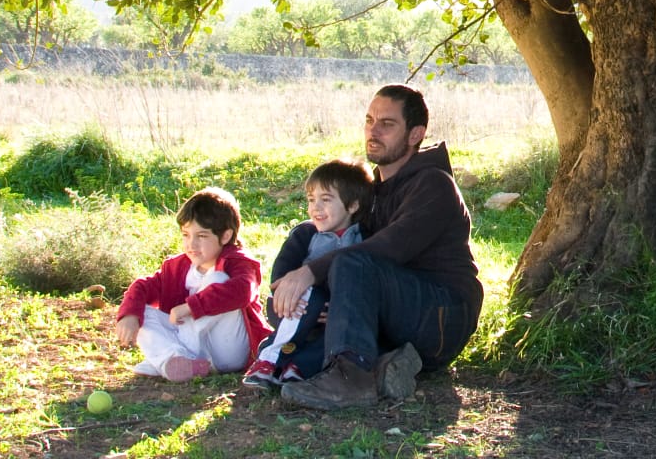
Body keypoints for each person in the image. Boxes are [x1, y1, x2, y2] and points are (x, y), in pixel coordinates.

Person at [271, 84, 482, 409]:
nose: (373, 131)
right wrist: (313, 298)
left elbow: (387, 249)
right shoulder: (376, 191)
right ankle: (382, 366)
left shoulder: (434, 184)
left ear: (415, 134)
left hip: (442, 317)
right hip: (398, 311)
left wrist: (309, 274)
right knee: (316, 244)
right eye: (370, 121)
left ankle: (349, 380)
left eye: (387, 124)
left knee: (351, 263)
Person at [114, 187, 269, 381]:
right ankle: (176, 361)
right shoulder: (177, 267)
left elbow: (242, 291)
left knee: (218, 280)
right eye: (186, 235)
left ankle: (164, 359)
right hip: (192, 347)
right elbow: (142, 286)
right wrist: (129, 315)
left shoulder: (238, 263)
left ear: (225, 236)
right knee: (140, 311)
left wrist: (191, 307)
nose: (191, 244)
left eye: (201, 236)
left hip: (228, 351)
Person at [243, 159, 373, 389]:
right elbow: (281, 276)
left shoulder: (365, 237)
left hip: (333, 313)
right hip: (294, 306)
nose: (316, 208)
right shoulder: (305, 234)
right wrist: (291, 294)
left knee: (336, 337)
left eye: (326, 200)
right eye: (312, 200)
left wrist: (340, 307)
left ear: (352, 205)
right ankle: (268, 359)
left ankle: (299, 367)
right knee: (309, 296)